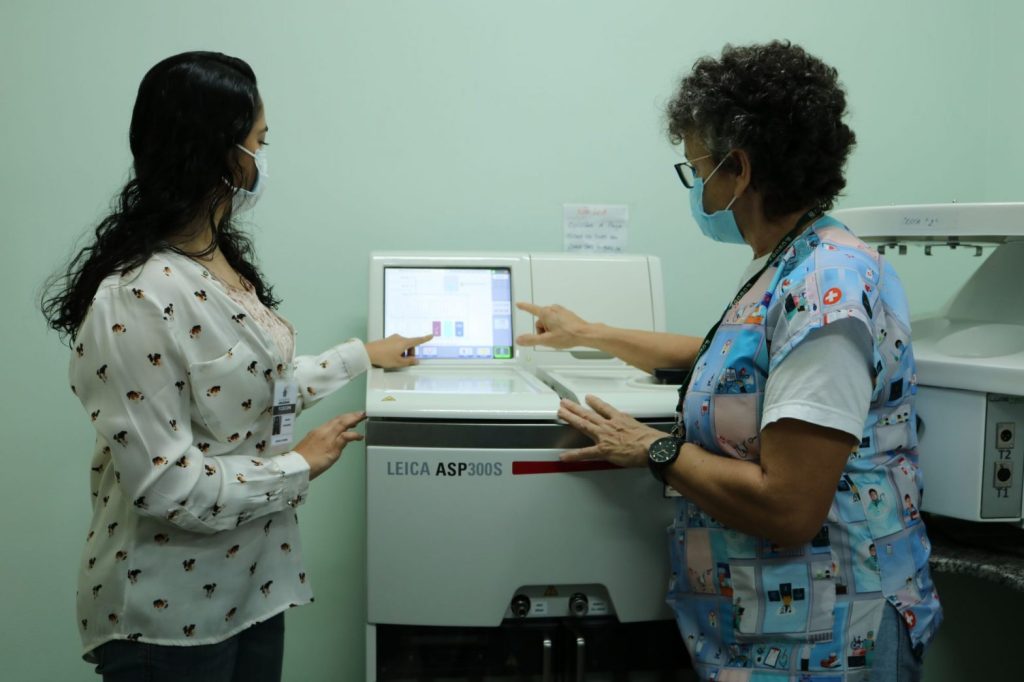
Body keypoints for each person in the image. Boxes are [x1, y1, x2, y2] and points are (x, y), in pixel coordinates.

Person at [517, 41, 941, 681]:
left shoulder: (828, 289)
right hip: (774, 628)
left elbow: (790, 507)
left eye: (696, 168)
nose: (696, 187)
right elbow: (731, 360)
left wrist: (652, 449)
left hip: (835, 636)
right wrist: (590, 332)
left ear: (737, 170)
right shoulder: (795, 262)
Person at [41, 51, 430, 681]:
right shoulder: (137, 295)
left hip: (253, 584)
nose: (263, 158)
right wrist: (296, 464)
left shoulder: (215, 260)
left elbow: (245, 390)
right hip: (168, 616)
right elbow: (166, 485)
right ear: (223, 154)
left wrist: (363, 356)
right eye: (259, 141)